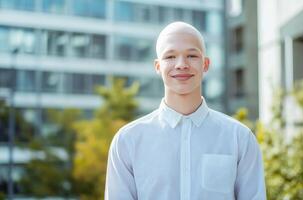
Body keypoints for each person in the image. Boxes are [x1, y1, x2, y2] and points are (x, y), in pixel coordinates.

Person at [105, 21, 266, 200]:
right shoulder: (127, 141)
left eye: (191, 55)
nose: (181, 64)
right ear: (158, 67)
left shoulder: (240, 138)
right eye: (170, 57)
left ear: (205, 64)